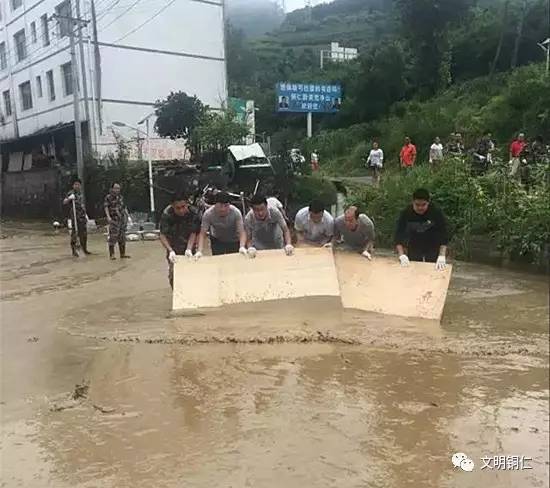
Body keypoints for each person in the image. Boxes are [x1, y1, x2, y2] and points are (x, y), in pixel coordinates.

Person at [394, 188, 448, 270]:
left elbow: (444, 235)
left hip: (433, 246)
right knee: (412, 269)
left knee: (434, 270)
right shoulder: (406, 213)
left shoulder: (436, 212)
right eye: (417, 205)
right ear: (413, 202)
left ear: (428, 203)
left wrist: (442, 255)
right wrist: (401, 255)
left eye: (423, 205)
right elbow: (398, 235)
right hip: (414, 245)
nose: (420, 208)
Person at [159, 193, 201, 288]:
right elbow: (162, 235)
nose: (181, 210)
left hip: (189, 246)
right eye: (177, 208)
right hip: (173, 247)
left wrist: (189, 248)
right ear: (172, 206)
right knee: (174, 276)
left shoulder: (193, 213)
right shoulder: (167, 214)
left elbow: (194, 232)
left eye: (183, 207)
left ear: (187, 204)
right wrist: (170, 250)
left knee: (192, 274)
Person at [196, 191, 247, 258]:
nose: (223, 209)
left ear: (229, 205)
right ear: (215, 204)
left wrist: (242, 246)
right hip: (217, 240)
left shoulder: (236, 212)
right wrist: (199, 251)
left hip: (234, 240)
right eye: (220, 206)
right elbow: (202, 233)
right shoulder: (208, 214)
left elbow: (242, 232)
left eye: (226, 206)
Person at [63, 178, 90, 257]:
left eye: (78, 184)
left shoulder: (80, 193)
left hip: (82, 216)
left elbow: (82, 205)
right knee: (75, 233)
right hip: (75, 217)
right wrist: (69, 198)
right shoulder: (71, 193)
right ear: (73, 185)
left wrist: (86, 215)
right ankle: (74, 251)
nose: (77, 186)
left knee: (84, 234)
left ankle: (84, 249)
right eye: (75, 184)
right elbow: (64, 202)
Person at [104, 182, 130, 260]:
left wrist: (128, 217)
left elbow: (124, 207)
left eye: (118, 188)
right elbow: (106, 207)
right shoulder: (108, 197)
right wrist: (108, 217)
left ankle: (122, 254)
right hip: (113, 219)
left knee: (122, 237)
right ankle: (112, 254)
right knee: (113, 237)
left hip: (121, 219)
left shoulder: (120, 197)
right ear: (112, 189)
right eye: (115, 188)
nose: (117, 190)